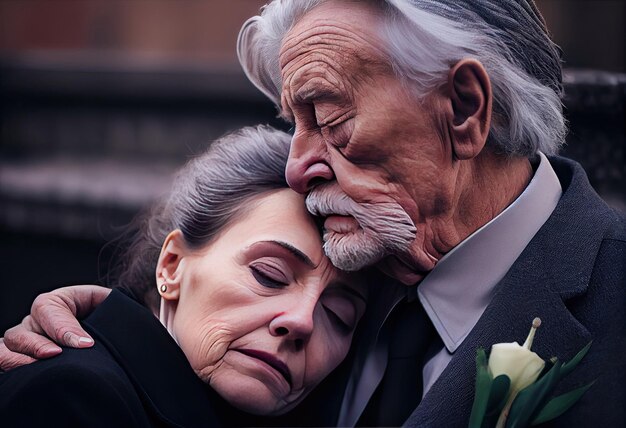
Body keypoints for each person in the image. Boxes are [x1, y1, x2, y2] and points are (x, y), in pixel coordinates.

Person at [2, 0, 625, 426]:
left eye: (330, 120)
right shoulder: (370, 239)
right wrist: (120, 319)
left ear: (462, 109)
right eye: (294, 125)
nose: (299, 168)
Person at [0, 125, 370, 427]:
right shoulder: (74, 400)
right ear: (172, 265)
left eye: (339, 316)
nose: (302, 321)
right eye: (268, 275)